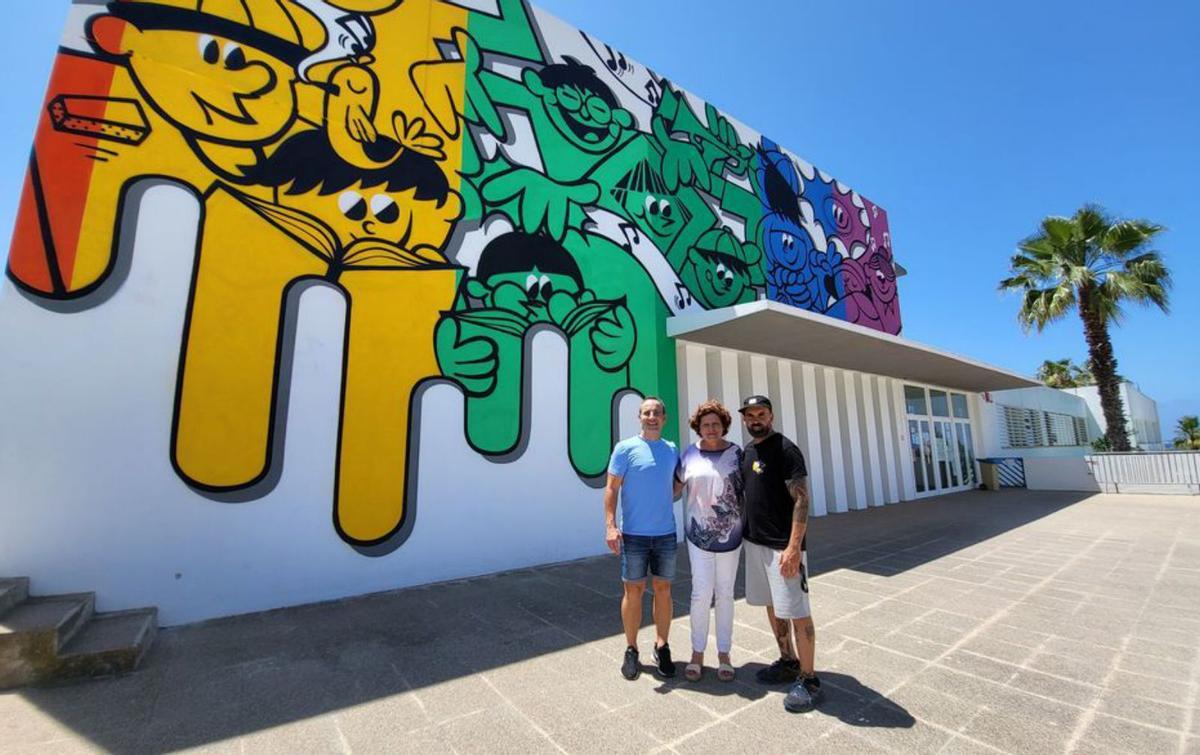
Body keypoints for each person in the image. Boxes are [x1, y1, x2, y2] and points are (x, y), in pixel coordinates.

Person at [739, 395, 823, 712]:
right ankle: (788, 660)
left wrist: (792, 547)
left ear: (771, 415)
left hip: (782, 548)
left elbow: (801, 500)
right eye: (750, 415)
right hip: (756, 544)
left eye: (761, 413)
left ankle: (809, 677)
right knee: (773, 606)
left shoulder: (787, 449)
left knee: (798, 611)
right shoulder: (748, 451)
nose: (755, 419)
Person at [604, 397, 681, 680]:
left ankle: (662, 646)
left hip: (665, 534)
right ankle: (631, 649)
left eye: (657, 413)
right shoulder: (625, 449)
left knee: (663, 590)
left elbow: (675, 487)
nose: (652, 417)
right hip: (634, 536)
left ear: (664, 418)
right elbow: (611, 489)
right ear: (639, 417)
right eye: (646, 412)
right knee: (633, 592)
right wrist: (611, 526)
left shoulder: (671, 449)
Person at [677, 400, 743, 682]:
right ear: (698, 427)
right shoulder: (688, 455)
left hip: (732, 536)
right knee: (700, 593)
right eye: (706, 425)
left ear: (724, 425)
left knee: (726, 593)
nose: (711, 428)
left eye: (716, 424)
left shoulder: (737, 454)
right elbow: (674, 489)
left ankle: (725, 653)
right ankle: (697, 652)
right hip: (698, 537)